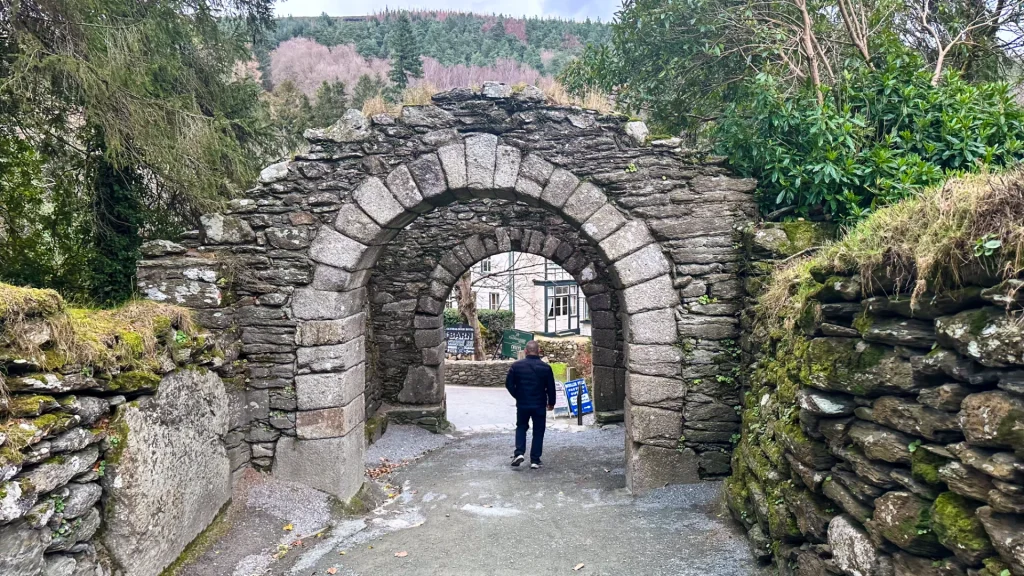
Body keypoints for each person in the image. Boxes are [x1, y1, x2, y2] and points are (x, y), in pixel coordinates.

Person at [504, 340, 556, 469]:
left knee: (521, 427)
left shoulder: (516, 366)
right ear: (539, 351)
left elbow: (508, 384)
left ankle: (519, 453)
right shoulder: (546, 368)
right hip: (539, 404)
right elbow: (551, 387)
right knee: (538, 431)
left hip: (523, 403)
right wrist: (551, 403)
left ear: (525, 351)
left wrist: (518, 395)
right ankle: (535, 460)